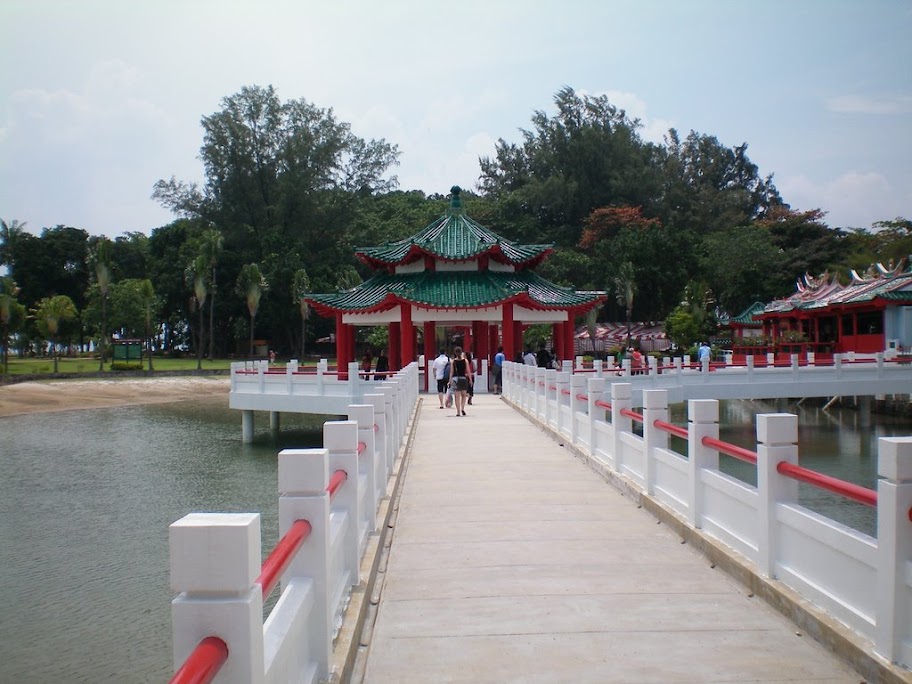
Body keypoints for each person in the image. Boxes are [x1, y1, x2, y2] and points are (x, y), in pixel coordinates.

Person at [451, 346, 469, 416]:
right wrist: (470, 379)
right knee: (464, 395)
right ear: (461, 352)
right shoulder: (465, 361)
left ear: (455, 353)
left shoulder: (453, 361)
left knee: (457, 396)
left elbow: (451, 372)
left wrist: (450, 380)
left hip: (455, 379)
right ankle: (462, 408)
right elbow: (468, 371)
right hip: (463, 378)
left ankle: (458, 412)